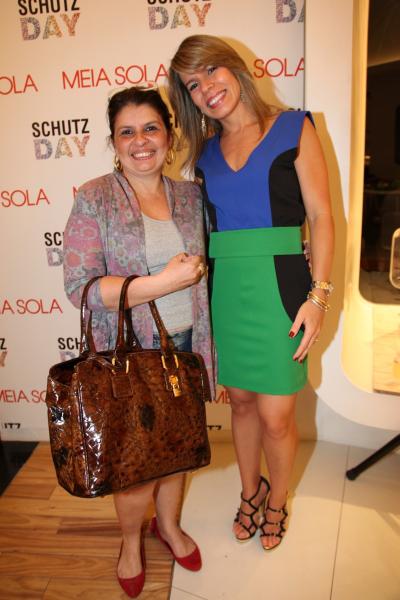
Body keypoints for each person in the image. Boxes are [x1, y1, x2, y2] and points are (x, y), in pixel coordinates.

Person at [169, 35, 334, 551]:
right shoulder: (203, 154)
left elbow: (321, 216)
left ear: (235, 68)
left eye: (211, 71)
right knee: (239, 403)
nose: (206, 88)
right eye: (192, 85)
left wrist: (319, 297)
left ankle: (277, 500)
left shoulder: (295, 127)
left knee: (277, 416)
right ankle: (250, 491)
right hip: (227, 292)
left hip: (284, 290)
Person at [63, 86, 214, 598]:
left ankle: (167, 526)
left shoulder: (190, 197)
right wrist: (161, 283)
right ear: (114, 142)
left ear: (169, 135)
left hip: (185, 346)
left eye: (150, 127)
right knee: (133, 464)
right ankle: (130, 541)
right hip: (128, 355)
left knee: (177, 448)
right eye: (126, 132)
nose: (140, 140)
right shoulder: (95, 196)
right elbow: (81, 288)